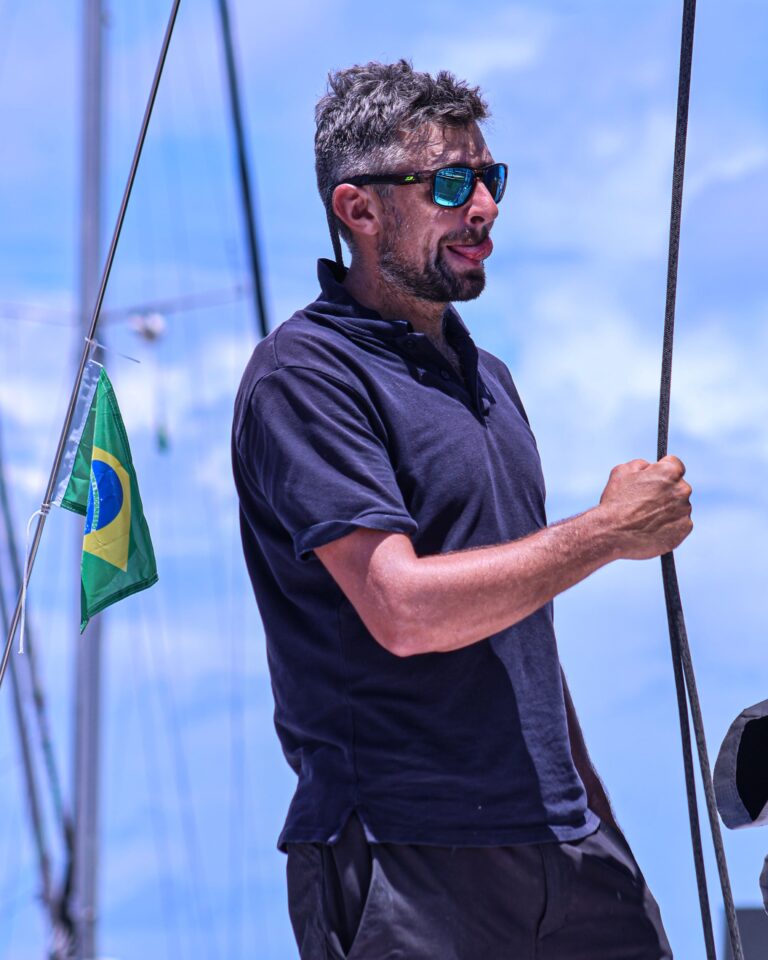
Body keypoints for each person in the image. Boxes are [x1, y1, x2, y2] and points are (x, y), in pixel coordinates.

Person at [232, 60, 690, 960]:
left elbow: (524, 627)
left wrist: (599, 824)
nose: (483, 207)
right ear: (358, 210)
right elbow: (401, 609)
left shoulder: (490, 380)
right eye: (449, 183)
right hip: (406, 859)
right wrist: (606, 532)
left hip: (566, 848)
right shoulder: (305, 377)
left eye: (490, 178)